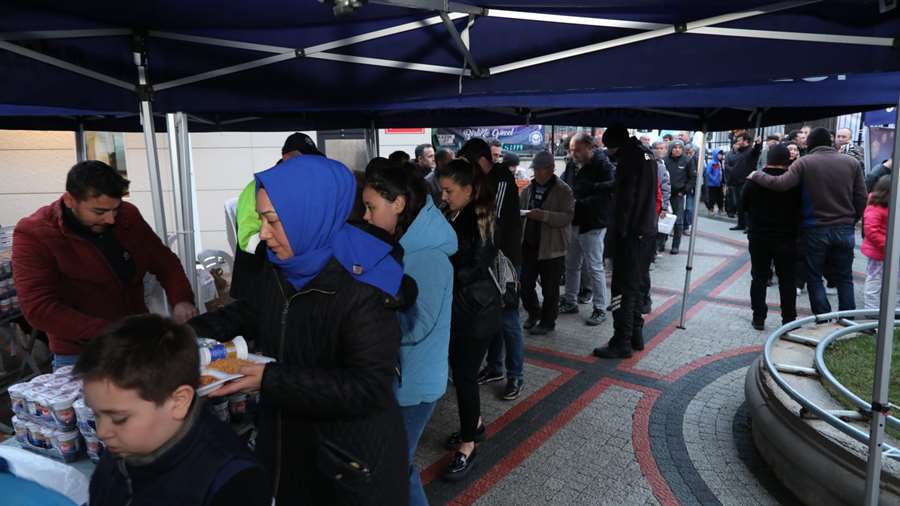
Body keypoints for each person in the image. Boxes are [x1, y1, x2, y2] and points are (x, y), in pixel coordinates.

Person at [189, 155, 409, 505]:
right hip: (289, 446)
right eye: (261, 219)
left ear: (310, 216)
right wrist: (182, 335)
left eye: (273, 221)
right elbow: (252, 310)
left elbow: (368, 388)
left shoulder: (364, 286)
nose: (263, 233)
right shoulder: (282, 262)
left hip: (347, 467)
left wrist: (270, 379)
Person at [12, 161, 196, 369]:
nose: (110, 219)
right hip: (82, 354)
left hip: (138, 343)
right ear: (70, 200)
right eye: (99, 212)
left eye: (115, 210)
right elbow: (39, 309)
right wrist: (114, 331)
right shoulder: (34, 234)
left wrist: (181, 299)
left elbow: (164, 261)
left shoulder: (128, 215)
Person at [76, 314, 270, 506]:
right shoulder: (126, 445)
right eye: (96, 414)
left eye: (119, 419)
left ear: (179, 402)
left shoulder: (231, 482)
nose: (101, 432)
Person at [361, 165, 457, 506]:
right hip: (397, 377)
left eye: (371, 207)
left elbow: (417, 323)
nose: (366, 216)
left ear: (398, 204)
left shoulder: (428, 257)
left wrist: (360, 326)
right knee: (391, 464)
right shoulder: (399, 245)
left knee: (394, 466)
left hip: (413, 385)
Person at [747, 127, 867, 316]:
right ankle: (847, 320)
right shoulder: (851, 163)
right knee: (845, 277)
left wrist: (756, 174)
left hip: (815, 227)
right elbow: (861, 197)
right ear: (830, 142)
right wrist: (852, 220)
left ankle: (823, 318)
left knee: (814, 276)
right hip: (844, 228)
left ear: (810, 144)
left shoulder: (805, 162)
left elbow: (781, 184)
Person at [438, 158, 502, 481]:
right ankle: (473, 425)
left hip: (477, 312)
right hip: (461, 308)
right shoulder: (453, 213)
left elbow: (472, 267)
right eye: (442, 190)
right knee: (460, 371)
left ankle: (468, 446)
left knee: (464, 377)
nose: (443, 196)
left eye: (449, 190)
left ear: (468, 189)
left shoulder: (480, 218)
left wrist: (437, 265)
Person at [457, 139, 526, 401]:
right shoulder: (484, 178)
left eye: (470, 164)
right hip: (489, 257)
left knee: (508, 318)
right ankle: (495, 367)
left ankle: (515, 375)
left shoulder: (500, 178)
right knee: (493, 315)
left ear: (482, 160)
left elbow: (493, 223)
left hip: (503, 260)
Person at [231, 133, 325, 300]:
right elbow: (247, 241)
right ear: (287, 158)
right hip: (256, 280)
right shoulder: (258, 186)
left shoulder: (299, 186)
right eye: (304, 159)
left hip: (280, 280)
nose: (310, 165)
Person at [593, 126, 658, 358]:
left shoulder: (629, 160)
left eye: (608, 148)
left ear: (615, 145)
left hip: (630, 236)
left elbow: (626, 201)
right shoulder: (646, 153)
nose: (608, 153)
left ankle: (621, 341)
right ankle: (636, 335)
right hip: (647, 232)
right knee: (636, 287)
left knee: (622, 290)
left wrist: (616, 238)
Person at [741, 145, 801, 330]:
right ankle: (789, 319)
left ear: (768, 158)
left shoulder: (754, 180)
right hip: (787, 236)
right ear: (788, 160)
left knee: (759, 277)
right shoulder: (794, 182)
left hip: (759, 236)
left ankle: (758, 317)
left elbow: (742, 206)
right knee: (787, 279)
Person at [557, 133, 615, 325]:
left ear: (590, 148)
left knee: (594, 266)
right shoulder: (572, 164)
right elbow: (564, 184)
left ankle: (600, 308)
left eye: (578, 150)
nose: (574, 154)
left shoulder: (603, 165)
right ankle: (570, 300)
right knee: (571, 264)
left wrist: (579, 203)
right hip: (574, 220)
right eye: (572, 150)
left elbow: (607, 195)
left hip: (593, 223)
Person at [519, 151, 575, 338]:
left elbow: (567, 217)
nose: (535, 172)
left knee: (550, 289)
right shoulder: (529, 188)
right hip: (529, 245)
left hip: (552, 248)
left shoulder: (563, 190)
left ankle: (548, 322)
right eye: (534, 169)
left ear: (551, 169)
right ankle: (534, 312)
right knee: (525, 284)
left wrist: (544, 216)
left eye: (539, 169)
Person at [860, 175, 900, 310]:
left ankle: (895, 312)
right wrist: (891, 246)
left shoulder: (889, 204)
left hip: (890, 251)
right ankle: (872, 313)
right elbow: (871, 231)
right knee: (874, 283)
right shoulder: (876, 206)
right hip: (879, 254)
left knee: (895, 284)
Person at [664, 139, 696, 255]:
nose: (677, 150)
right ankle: (661, 243)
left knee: (678, 221)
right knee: (664, 219)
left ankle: (675, 246)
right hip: (665, 194)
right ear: (671, 149)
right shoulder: (665, 160)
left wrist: (684, 191)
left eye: (679, 148)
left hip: (678, 195)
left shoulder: (687, 160)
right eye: (675, 148)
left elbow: (692, 178)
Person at [726, 133, 763, 232]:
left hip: (745, 181)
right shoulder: (739, 152)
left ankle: (748, 225)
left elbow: (756, 151)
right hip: (736, 182)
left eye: (739, 140)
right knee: (739, 204)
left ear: (745, 141)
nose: (737, 142)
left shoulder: (750, 151)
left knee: (746, 204)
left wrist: (758, 144)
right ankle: (741, 224)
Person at [652, 141, 672, 253]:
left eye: (662, 148)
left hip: (657, 203)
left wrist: (664, 206)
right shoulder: (650, 162)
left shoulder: (661, 165)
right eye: (657, 148)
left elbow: (665, 187)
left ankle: (654, 251)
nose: (659, 150)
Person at [705, 149, 726, 215]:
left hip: (719, 183)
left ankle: (720, 209)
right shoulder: (712, 163)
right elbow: (708, 173)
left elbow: (721, 172)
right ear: (715, 154)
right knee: (712, 198)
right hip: (712, 184)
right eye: (719, 154)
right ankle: (711, 210)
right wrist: (713, 179)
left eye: (721, 154)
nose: (721, 156)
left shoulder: (719, 163)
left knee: (720, 197)